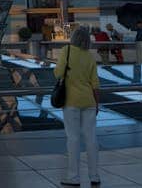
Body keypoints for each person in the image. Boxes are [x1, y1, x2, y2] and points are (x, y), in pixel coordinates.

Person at [54, 26, 100, 187]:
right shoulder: (90, 56)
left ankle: (73, 177)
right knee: (91, 139)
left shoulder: (66, 50)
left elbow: (58, 73)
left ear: (73, 37)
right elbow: (95, 83)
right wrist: (97, 103)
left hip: (71, 101)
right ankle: (94, 176)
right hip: (89, 101)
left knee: (73, 138)